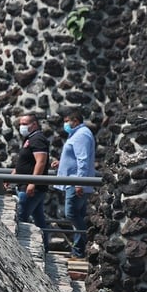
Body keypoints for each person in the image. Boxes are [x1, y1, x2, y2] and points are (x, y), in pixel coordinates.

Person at [51, 108, 96, 258]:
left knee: (70, 214)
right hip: (74, 180)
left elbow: (82, 160)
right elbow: (75, 157)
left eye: (66, 121)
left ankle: (89, 240)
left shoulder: (81, 135)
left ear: (75, 121)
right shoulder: (77, 134)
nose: (65, 125)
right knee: (78, 215)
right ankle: (79, 251)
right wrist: (62, 162)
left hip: (75, 182)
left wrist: (79, 182)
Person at [6, 113, 49, 250]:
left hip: (30, 188)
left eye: (25, 123)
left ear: (34, 124)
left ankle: (19, 249)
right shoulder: (29, 138)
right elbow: (24, 162)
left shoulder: (37, 139)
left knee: (21, 218)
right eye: (20, 124)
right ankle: (45, 247)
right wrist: (12, 177)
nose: (21, 126)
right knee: (39, 220)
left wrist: (32, 183)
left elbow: (41, 162)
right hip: (26, 185)